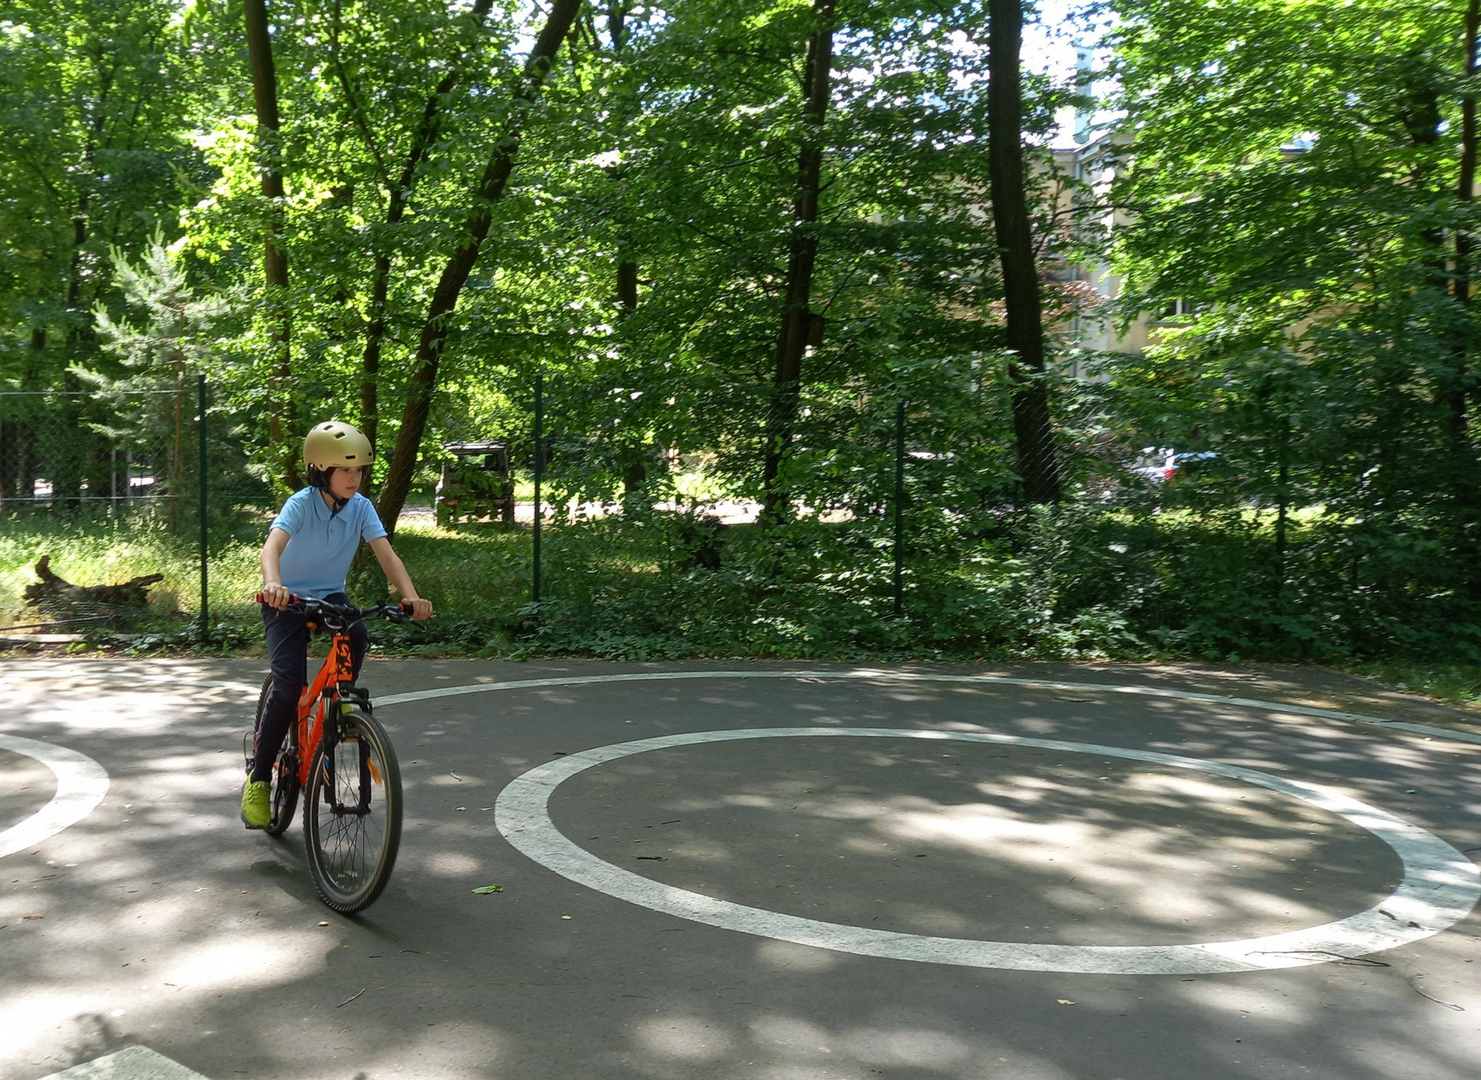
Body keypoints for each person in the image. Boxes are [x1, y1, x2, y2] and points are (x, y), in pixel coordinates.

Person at [242, 420, 433, 829]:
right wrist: (273, 584)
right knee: (288, 685)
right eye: (345, 469)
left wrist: (411, 596)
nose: (354, 477)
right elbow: (271, 548)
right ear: (320, 471)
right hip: (287, 599)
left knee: (357, 633)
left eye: (359, 470)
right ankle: (258, 779)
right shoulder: (301, 504)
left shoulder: (361, 508)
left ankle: (339, 705)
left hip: (329, 595)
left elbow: (387, 556)